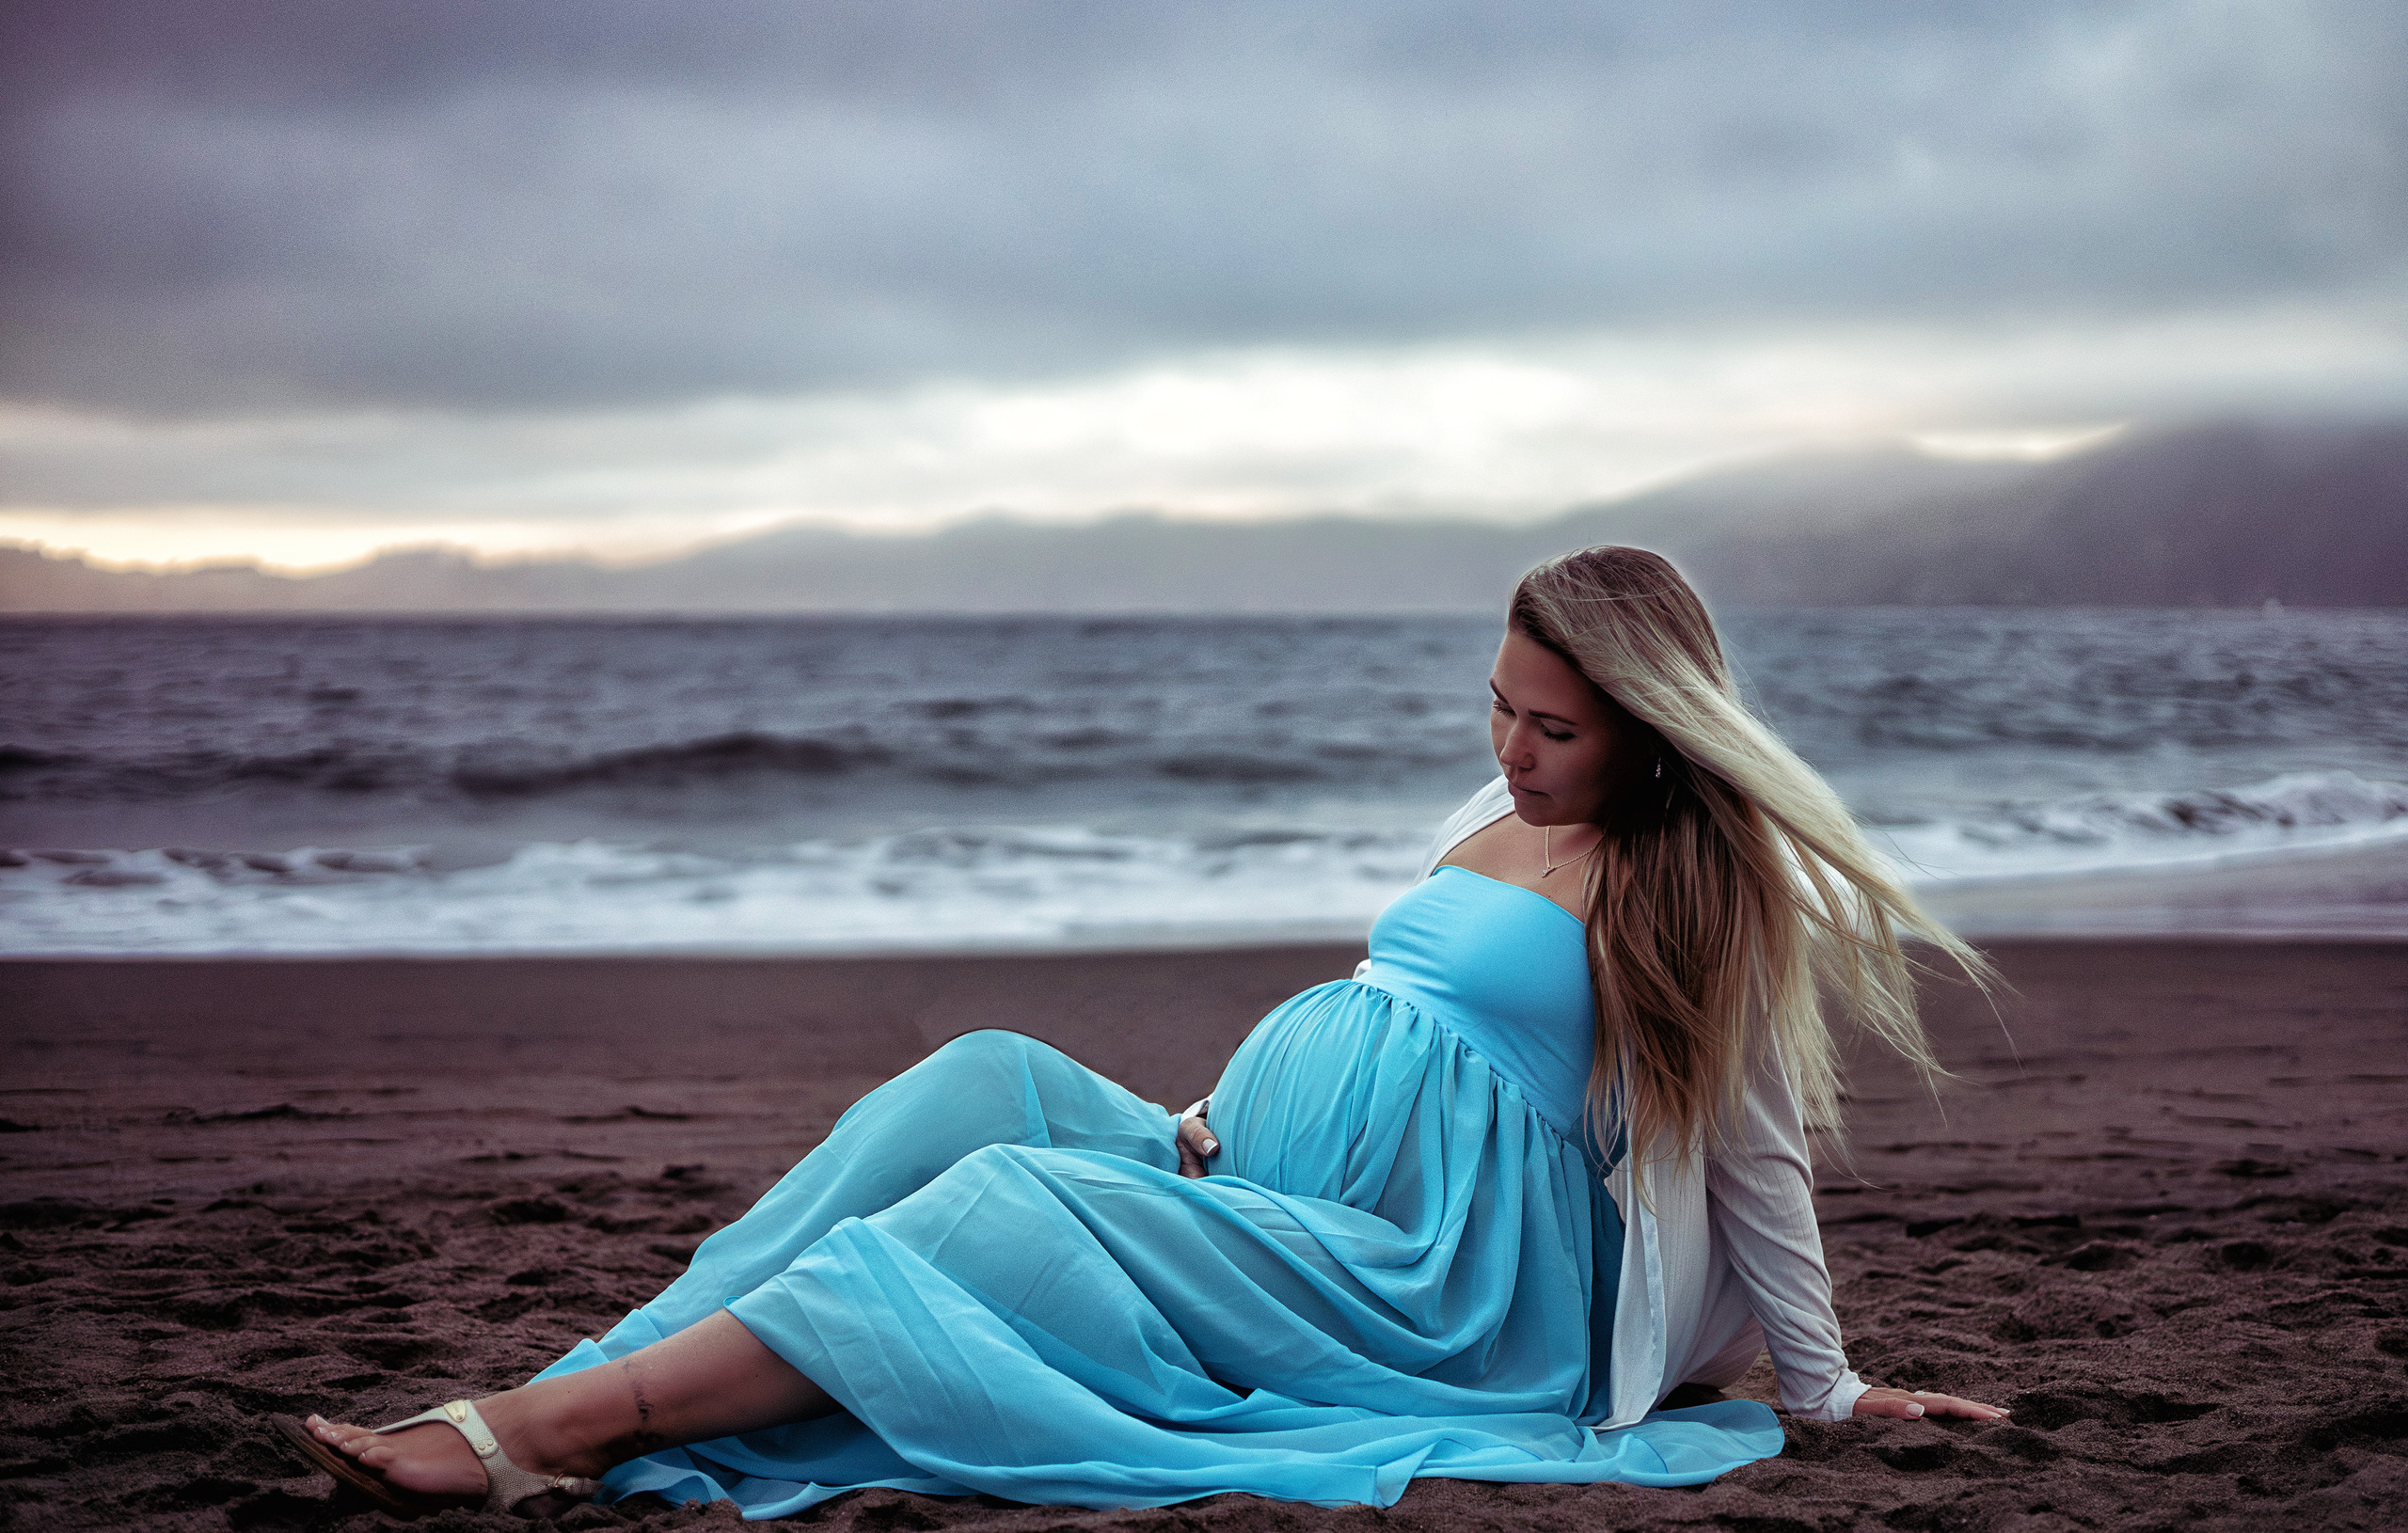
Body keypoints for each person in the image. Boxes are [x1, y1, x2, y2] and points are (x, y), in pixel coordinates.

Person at [274, 545, 2007, 1520]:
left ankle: (565, 1434)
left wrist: (1826, 1384)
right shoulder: (1497, 806)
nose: (1510, 743)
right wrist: (1217, 1111)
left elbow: (1756, 1155)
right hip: (1250, 1165)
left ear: (1647, 727)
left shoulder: (1689, 889)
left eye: (1551, 724)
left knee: (1011, 1201)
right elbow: (1393, 1014)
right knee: (983, 1078)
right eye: (1497, 700)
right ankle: (581, 1373)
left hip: (1432, 1281)